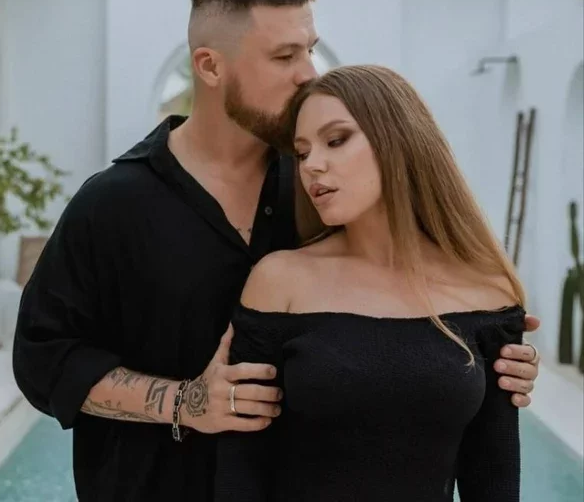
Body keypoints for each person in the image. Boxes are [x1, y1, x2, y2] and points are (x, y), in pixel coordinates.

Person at [12, 0, 541, 502]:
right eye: (285, 56)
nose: (308, 73)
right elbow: (42, 361)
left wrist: (479, 354)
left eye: (310, 49)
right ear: (210, 67)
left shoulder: (326, 191)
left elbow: (398, 319)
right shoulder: (112, 204)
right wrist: (185, 402)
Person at [214, 64, 528, 501]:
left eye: (336, 140)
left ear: (398, 138)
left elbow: (493, 474)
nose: (312, 166)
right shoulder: (280, 282)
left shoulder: (487, 290)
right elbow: (242, 465)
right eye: (302, 153)